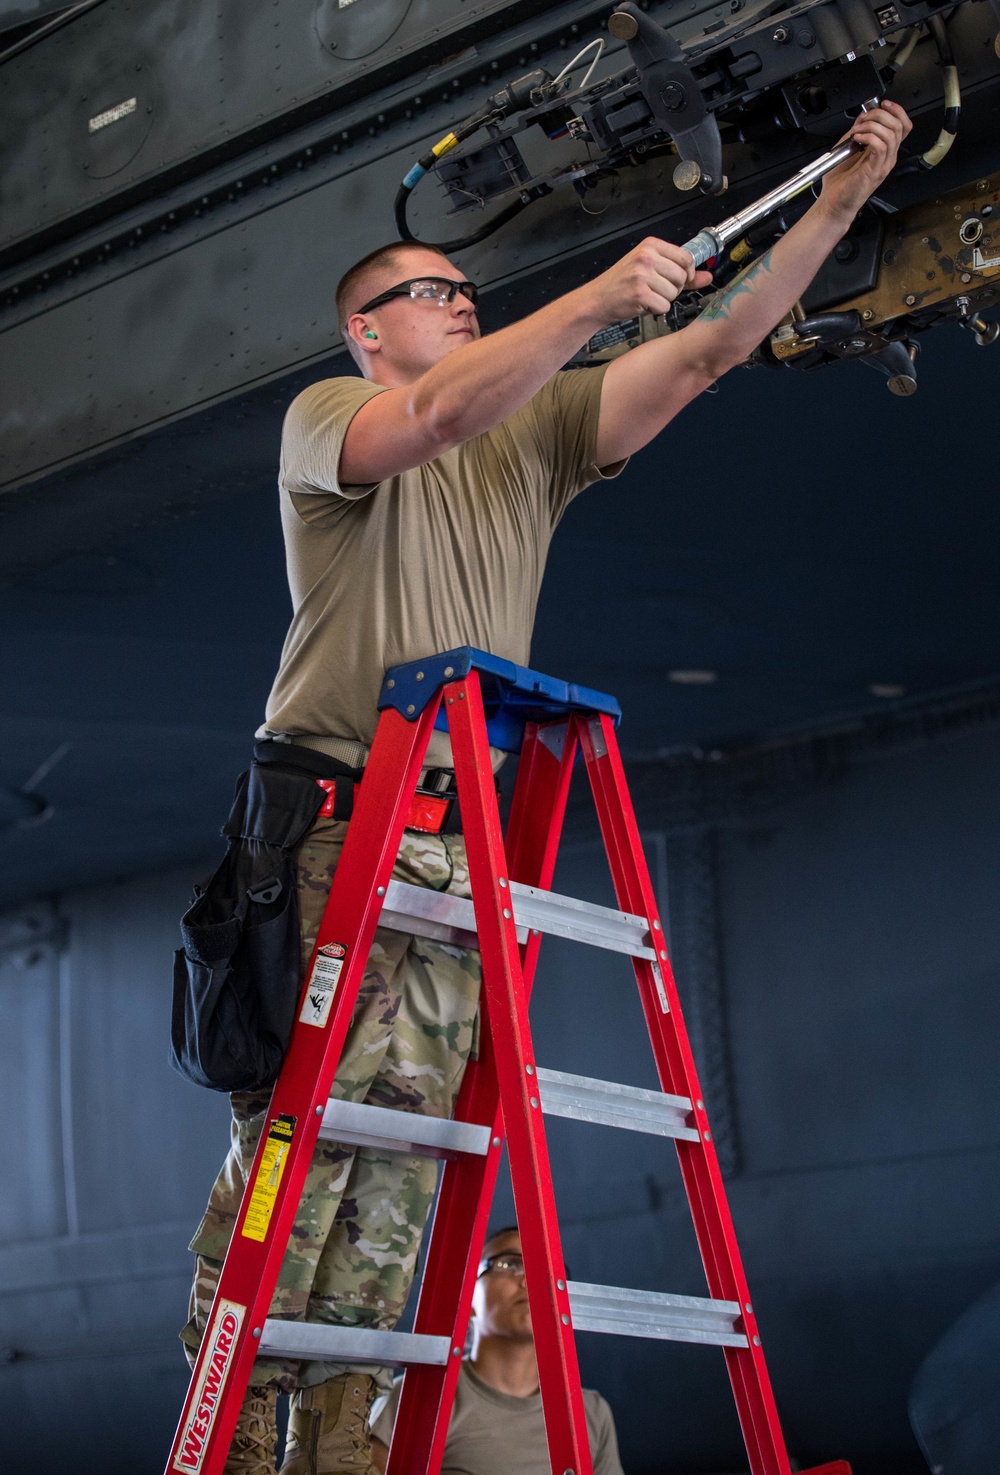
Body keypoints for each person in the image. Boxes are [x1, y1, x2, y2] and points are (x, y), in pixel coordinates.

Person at [179, 98, 911, 1475]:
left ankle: (332, 1455)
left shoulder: (537, 430)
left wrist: (835, 200)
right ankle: (230, 1433)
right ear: (368, 329)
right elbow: (441, 408)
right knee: (303, 1162)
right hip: (339, 823)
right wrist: (591, 292)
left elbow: (707, 350)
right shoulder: (328, 416)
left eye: (464, 290)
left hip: (455, 852)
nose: (458, 302)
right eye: (430, 291)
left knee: (394, 1198)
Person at [370, 1225, 625, 1475]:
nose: (530, 1280)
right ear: (468, 1296)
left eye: (545, 1268)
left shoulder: (590, 1412)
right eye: (510, 1264)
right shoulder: (415, 1397)